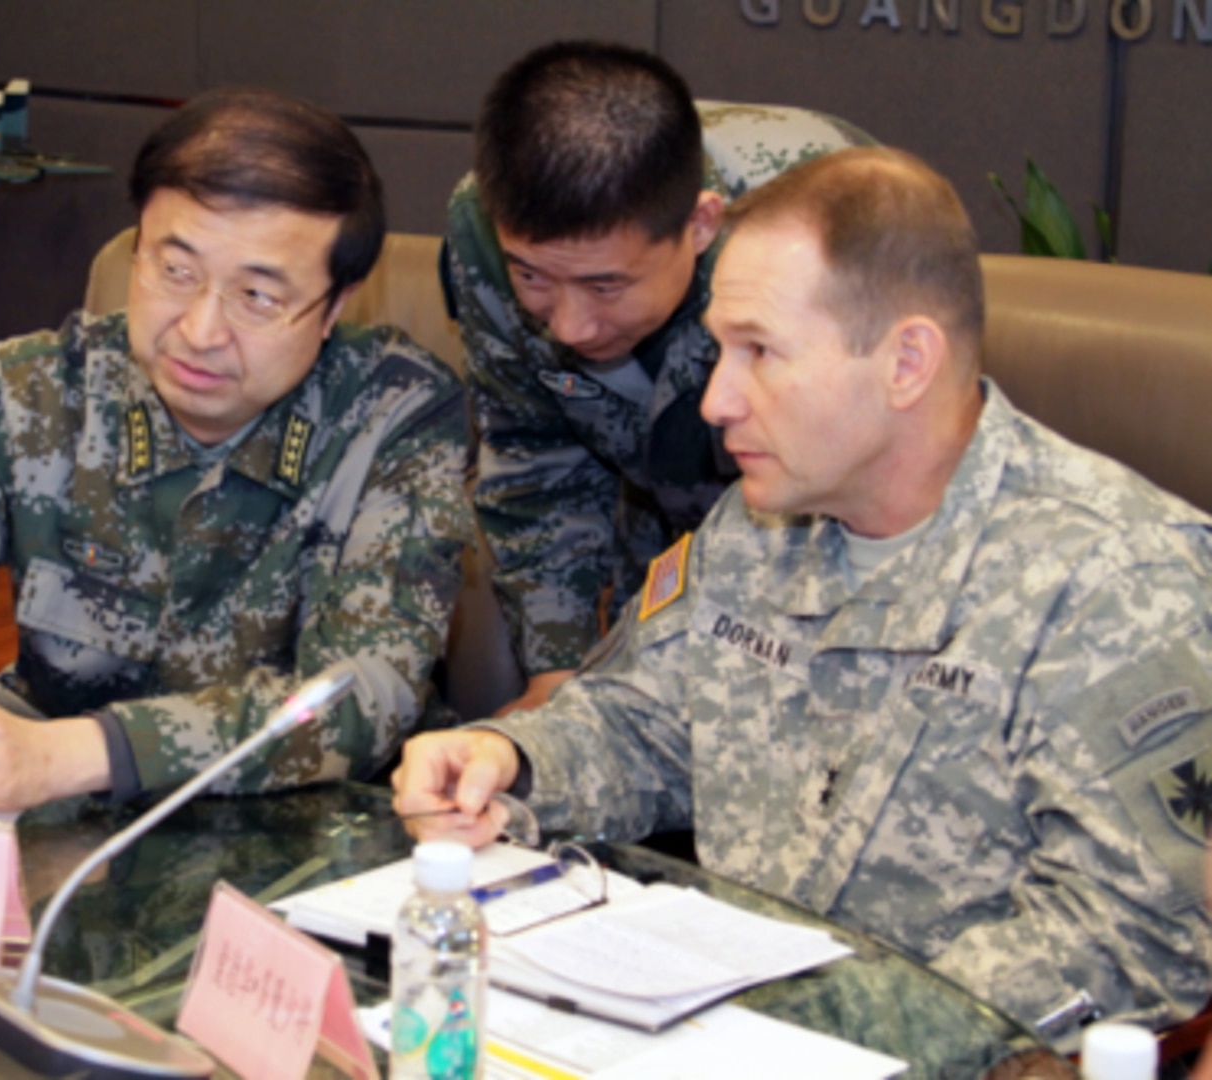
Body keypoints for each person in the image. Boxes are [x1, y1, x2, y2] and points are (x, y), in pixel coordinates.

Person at [397, 146, 1212, 1040]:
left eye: (759, 352)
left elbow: (1136, 942)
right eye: (718, 350)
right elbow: (642, 725)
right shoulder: (761, 521)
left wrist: (823, 1026)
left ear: (906, 363)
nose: (715, 400)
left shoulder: (1114, 581)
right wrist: (509, 762)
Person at [0, 87, 475, 814]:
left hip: (299, 843)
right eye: (175, 271)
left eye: (257, 296)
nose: (201, 330)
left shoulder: (395, 416)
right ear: (135, 250)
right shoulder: (34, 394)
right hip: (58, 840)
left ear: (336, 302)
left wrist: (75, 753)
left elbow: (363, 698)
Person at [445, 40, 872, 714]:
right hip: (659, 528)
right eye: (532, 277)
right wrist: (559, 673)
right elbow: (534, 459)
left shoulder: (821, 235)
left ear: (701, 224)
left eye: (604, 285)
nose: (570, 327)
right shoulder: (486, 226)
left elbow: (864, 496)